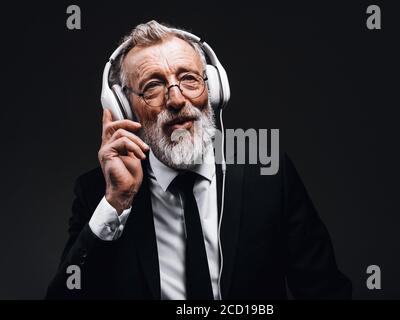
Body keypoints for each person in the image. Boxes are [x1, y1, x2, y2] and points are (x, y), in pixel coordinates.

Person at [46, 20, 351, 300]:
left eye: (189, 79)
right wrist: (116, 203)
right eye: (152, 86)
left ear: (214, 90)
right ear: (125, 108)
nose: (177, 100)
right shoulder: (100, 192)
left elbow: (325, 292)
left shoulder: (268, 173)